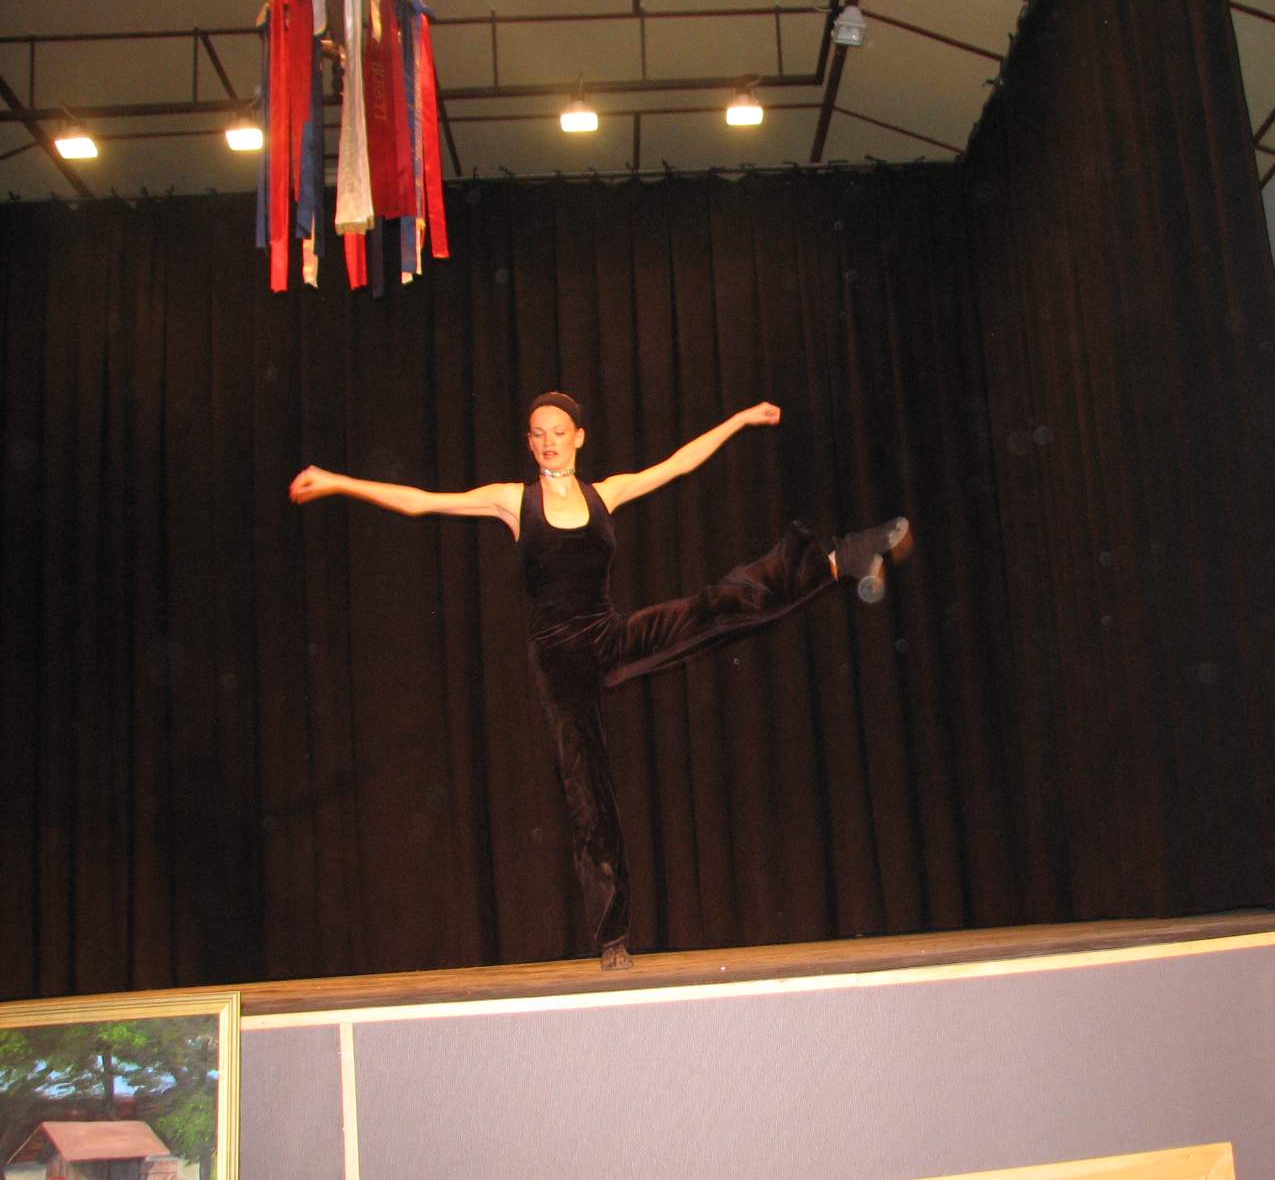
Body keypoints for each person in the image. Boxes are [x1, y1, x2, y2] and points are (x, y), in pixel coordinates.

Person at [289, 393, 911, 970]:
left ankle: (837, 558)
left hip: (608, 635)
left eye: (558, 432)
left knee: (714, 610)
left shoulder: (605, 493)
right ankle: (612, 937)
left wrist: (739, 420)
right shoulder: (513, 500)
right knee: (589, 790)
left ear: (579, 437)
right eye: (537, 434)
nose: (548, 442)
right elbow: (422, 501)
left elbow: (679, 463)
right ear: (529, 442)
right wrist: (338, 481)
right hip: (558, 659)